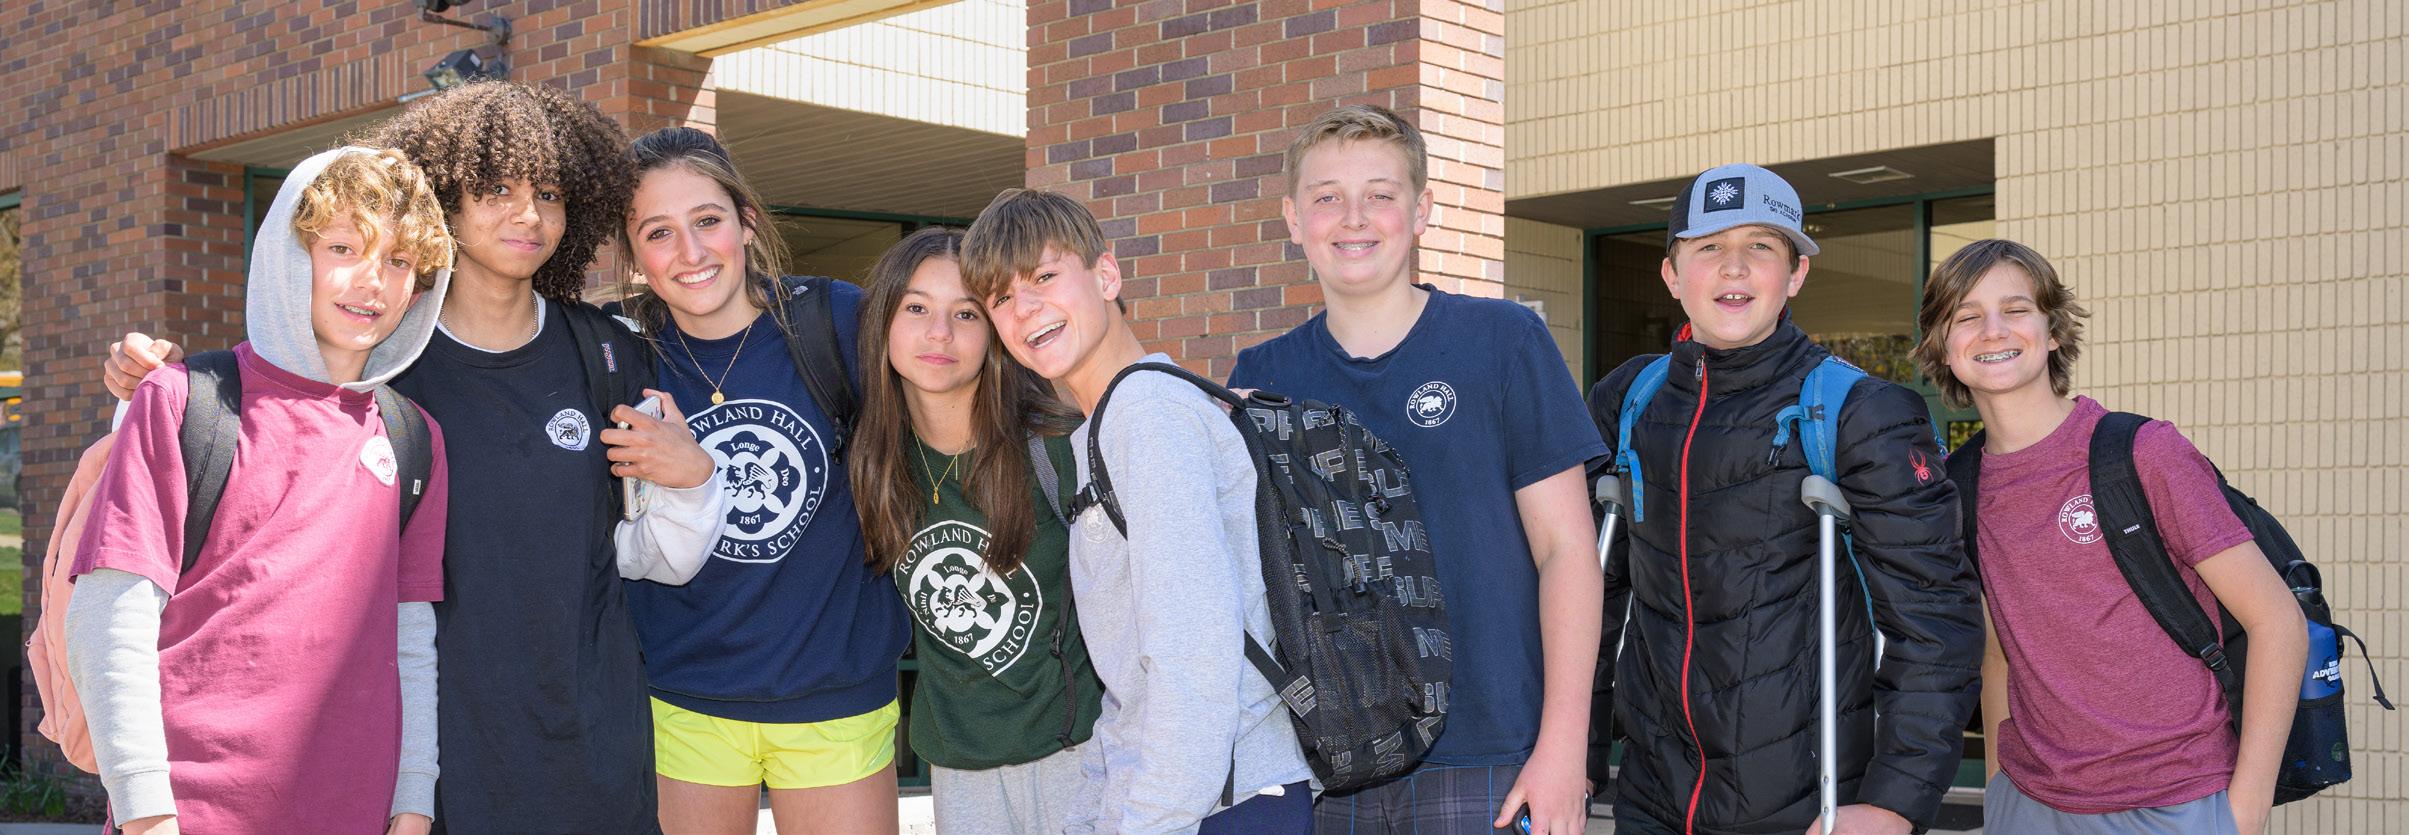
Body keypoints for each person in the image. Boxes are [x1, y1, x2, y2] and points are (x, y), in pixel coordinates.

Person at [99, 81, 722, 834]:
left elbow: (642, 553)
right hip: (426, 767)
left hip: (590, 751)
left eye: (550, 193)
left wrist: (695, 484)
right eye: (496, 189)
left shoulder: (607, 355)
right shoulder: (379, 365)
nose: (528, 214)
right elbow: (259, 438)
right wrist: (146, 392)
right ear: (444, 202)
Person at [1224, 104, 1605, 834]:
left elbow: (1566, 552)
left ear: (1422, 210)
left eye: (1380, 194)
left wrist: (1564, 746)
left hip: (1492, 754)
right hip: (1328, 762)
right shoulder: (1260, 378)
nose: (1353, 218)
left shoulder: (1502, 341)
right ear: (1292, 218)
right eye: (1327, 197)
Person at [1584, 164, 1982, 835]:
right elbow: (1587, 596)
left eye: (1761, 246)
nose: (1733, 267)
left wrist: (1893, 801)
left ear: (1795, 274)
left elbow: (1933, 620)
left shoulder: (1860, 411)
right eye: (1709, 246)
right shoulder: (1629, 401)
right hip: (1651, 799)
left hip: (1809, 804)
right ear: (1672, 275)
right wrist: (1578, 758)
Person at [68, 146, 453, 834]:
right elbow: (111, 614)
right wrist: (145, 811)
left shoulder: (413, 436)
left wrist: (414, 801)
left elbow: (411, 636)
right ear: (289, 255)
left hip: (359, 813)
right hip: (190, 814)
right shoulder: (184, 401)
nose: (372, 280)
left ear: (420, 288)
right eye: (343, 248)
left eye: (398, 261)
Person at [1916, 239, 2304, 835]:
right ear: (1942, 347)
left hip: (2173, 801)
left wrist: (2245, 811)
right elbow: (1999, 655)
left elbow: (2276, 620)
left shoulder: (2142, 454)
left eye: (2016, 309)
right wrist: (1997, 790)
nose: (1993, 330)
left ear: (2052, 331)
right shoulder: (1958, 485)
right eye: (1966, 316)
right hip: (2029, 803)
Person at [963, 188, 1313, 833]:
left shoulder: (1150, 417)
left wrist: (1146, 820)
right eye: (1001, 298)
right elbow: (1132, 684)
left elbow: (1192, 655)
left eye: (1044, 277)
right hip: (1184, 798)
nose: (1025, 307)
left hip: (1223, 801)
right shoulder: (1110, 423)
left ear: (1106, 275)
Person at [612, 126, 912, 835]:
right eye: (659, 233)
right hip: (680, 693)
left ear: (746, 222)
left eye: (707, 220)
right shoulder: (617, 350)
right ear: (633, 253)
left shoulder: (836, 320)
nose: (690, 252)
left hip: (834, 690)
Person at [849, 226, 1103, 833]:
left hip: (1079, 754)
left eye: (965, 313)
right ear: (883, 322)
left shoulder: (1059, 447)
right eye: (916, 308)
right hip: (959, 766)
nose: (939, 333)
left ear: (993, 332)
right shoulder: (870, 462)